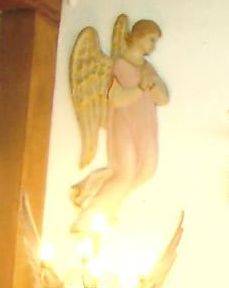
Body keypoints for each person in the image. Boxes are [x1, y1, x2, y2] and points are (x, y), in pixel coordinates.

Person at [71, 19, 169, 233]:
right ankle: (87, 219)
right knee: (125, 173)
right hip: (124, 125)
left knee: (146, 169)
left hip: (145, 126)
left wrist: (152, 87)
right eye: (151, 40)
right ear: (138, 37)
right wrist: (140, 88)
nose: (153, 46)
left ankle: (101, 198)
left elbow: (163, 99)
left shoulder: (147, 68)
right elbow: (116, 99)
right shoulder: (118, 65)